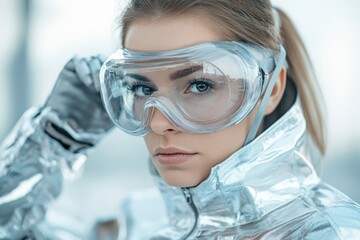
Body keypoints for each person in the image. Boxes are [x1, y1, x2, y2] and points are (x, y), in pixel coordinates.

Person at [1, 0, 360, 239]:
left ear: (272, 88)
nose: (158, 123)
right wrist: (53, 139)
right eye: (141, 89)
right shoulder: (136, 223)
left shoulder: (328, 232)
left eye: (199, 85)